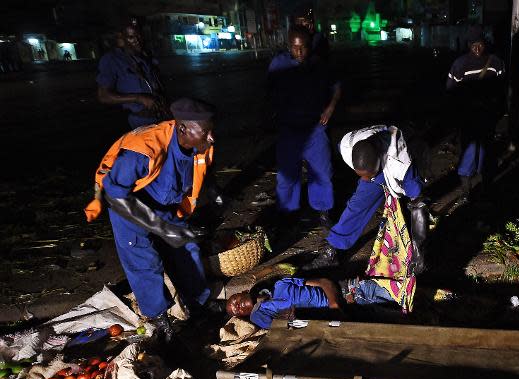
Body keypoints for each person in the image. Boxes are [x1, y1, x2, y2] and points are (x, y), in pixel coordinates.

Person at [83, 98, 218, 342]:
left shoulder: (200, 145)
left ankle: (197, 306)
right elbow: (115, 194)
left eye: (211, 129)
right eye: (206, 131)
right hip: (129, 207)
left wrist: (212, 195)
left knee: (188, 249)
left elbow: (201, 174)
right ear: (183, 129)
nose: (211, 137)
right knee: (145, 262)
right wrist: (161, 228)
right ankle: (159, 319)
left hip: (166, 206)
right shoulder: (143, 150)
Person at [304, 125, 428, 273]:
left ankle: (414, 253)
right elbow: (362, 173)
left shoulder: (401, 164)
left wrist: (419, 248)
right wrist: (367, 177)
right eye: (361, 175)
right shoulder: (347, 145)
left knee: (409, 209)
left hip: (410, 153)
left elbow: (417, 204)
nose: (364, 179)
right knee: (357, 205)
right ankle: (332, 252)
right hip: (375, 166)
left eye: (368, 175)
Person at [267, 25, 340, 224]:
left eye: (303, 47)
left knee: (322, 172)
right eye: (295, 47)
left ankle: (323, 209)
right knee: (287, 174)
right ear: (289, 46)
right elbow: (269, 91)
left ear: (309, 46)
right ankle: (288, 211)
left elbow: (336, 87)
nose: (299, 52)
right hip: (289, 128)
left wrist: (330, 109)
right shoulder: (279, 64)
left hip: (315, 129)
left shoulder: (319, 65)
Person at [446, 25, 505, 203]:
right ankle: (466, 188)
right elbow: (450, 91)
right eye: (473, 45)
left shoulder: (495, 62)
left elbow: (501, 88)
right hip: (469, 116)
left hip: (488, 115)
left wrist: (500, 110)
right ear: (468, 45)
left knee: (485, 148)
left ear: (485, 43)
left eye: (480, 44)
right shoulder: (460, 64)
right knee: (471, 149)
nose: (477, 48)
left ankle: (484, 186)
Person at [226, 276, 396, 328]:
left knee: (410, 294)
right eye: (236, 311)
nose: (237, 306)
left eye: (234, 300)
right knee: (403, 319)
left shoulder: (281, 284)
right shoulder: (260, 314)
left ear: (243, 292)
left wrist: (335, 306)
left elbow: (325, 282)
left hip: (355, 291)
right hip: (353, 314)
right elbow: (283, 326)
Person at [96, 17, 169, 129]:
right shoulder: (112, 60)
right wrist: (138, 98)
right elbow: (104, 96)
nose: (137, 40)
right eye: (131, 37)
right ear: (122, 38)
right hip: (139, 123)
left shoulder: (146, 57)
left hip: (161, 118)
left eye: (139, 35)